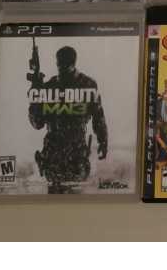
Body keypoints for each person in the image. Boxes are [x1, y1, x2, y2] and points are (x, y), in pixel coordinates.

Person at [28, 45, 107, 194]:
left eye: (64, 65)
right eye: (60, 64)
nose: (61, 68)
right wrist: (35, 90)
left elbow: (98, 116)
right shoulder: (50, 87)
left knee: (75, 198)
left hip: (75, 156)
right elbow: (37, 123)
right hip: (54, 157)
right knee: (56, 200)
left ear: (72, 63)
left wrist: (103, 141)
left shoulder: (87, 85)